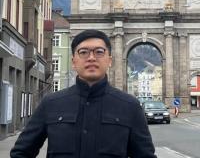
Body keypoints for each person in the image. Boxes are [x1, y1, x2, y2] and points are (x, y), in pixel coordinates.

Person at [10, 29, 157, 158]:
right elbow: (21, 152)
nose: (91, 57)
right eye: (83, 52)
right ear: (74, 61)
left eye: (99, 52)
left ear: (110, 60)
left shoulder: (130, 106)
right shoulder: (50, 104)